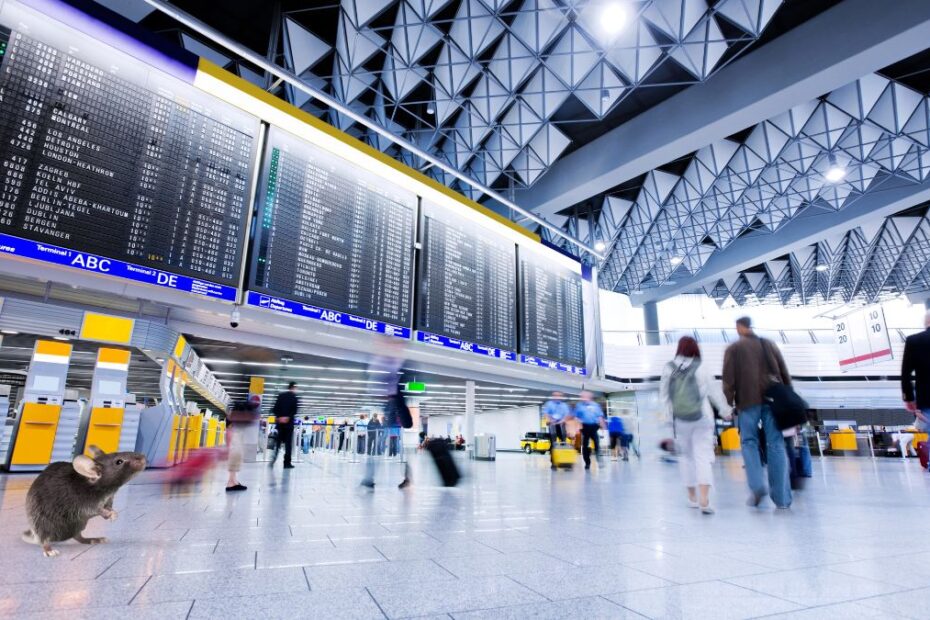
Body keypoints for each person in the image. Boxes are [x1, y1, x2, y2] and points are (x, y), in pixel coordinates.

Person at [722, 317, 792, 509]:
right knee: (776, 444)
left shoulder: (734, 349)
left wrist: (728, 404)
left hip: (747, 402)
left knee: (749, 442)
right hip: (773, 400)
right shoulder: (768, 344)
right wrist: (789, 397)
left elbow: (728, 381)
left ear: (739, 327)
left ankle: (757, 486)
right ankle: (782, 499)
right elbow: (784, 372)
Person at [660, 337, 732, 514]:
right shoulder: (702, 366)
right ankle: (705, 500)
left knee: (686, 458)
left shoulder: (668, 368)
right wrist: (725, 410)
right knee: (703, 456)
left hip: (680, 420)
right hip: (702, 418)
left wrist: (669, 420)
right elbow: (715, 391)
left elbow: (664, 397)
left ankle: (692, 497)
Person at [901, 310, 930, 469]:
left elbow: (906, 373)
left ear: (926, 322)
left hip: (926, 399)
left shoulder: (914, 341)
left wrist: (909, 398)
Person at [225, 401, 258, 492]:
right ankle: (231, 483)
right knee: (236, 455)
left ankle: (233, 481)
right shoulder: (236, 422)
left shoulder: (233, 418)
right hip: (235, 435)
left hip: (235, 434)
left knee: (237, 456)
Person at [571, 390, 605, 470]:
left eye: (584, 397)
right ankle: (587, 463)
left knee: (597, 444)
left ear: (589, 397)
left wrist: (603, 427)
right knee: (585, 446)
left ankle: (599, 461)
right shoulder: (579, 405)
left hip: (594, 427)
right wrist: (576, 429)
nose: (582, 398)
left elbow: (600, 417)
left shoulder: (595, 405)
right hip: (584, 427)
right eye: (582, 397)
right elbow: (576, 417)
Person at [270, 382, 298, 469]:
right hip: (288, 425)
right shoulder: (294, 398)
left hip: (280, 424)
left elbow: (274, 409)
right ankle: (286, 463)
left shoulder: (280, 396)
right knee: (288, 445)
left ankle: (273, 459)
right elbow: (294, 411)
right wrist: (287, 417)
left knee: (278, 443)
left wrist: (279, 417)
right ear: (293, 388)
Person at [542, 391, 570, 470]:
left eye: (559, 396)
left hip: (561, 424)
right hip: (552, 424)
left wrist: (563, 420)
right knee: (553, 444)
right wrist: (549, 420)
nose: (557, 397)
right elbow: (546, 414)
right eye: (556, 396)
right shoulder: (549, 404)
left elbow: (567, 415)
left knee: (563, 443)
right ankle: (553, 462)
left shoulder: (564, 405)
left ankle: (565, 462)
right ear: (553, 396)